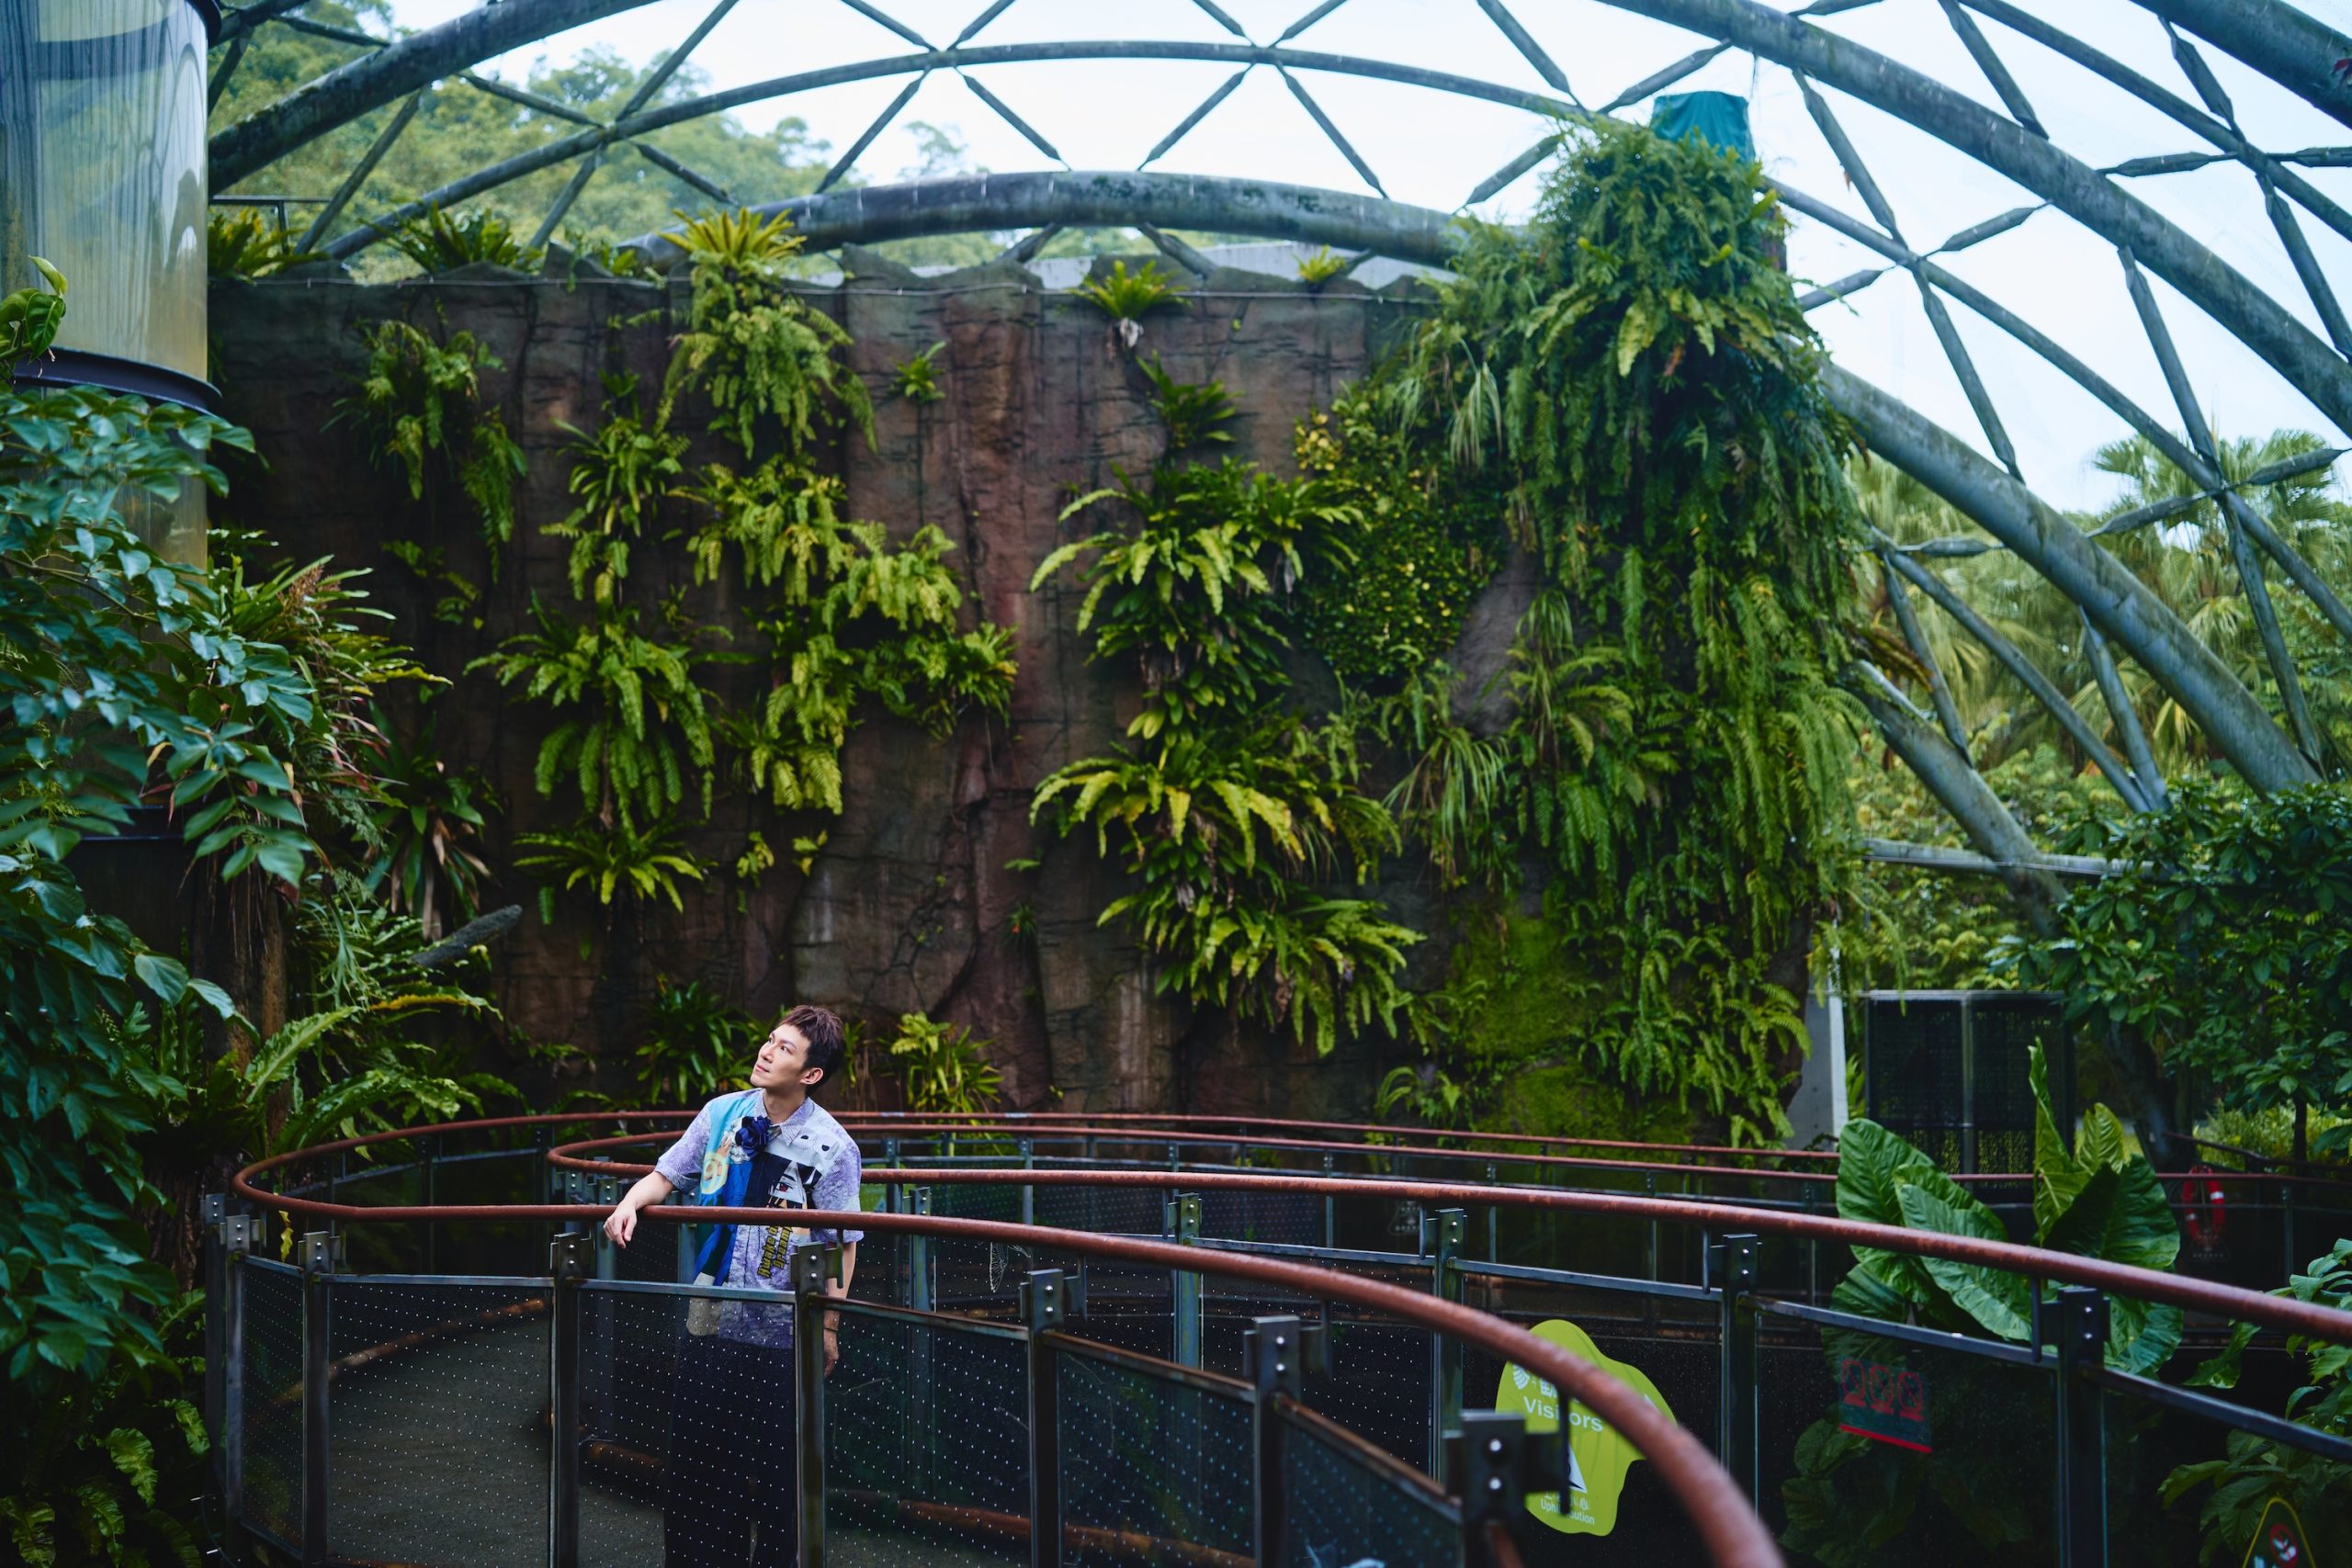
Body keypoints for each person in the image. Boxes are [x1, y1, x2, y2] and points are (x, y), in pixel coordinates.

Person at [604, 1003, 863, 1568]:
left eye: (784, 1049)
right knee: (697, 1473)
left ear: (811, 1074)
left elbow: (844, 1244)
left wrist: (829, 1328)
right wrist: (629, 1203)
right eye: (770, 1041)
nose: (767, 1051)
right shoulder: (722, 1114)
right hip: (710, 1322)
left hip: (783, 1334)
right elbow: (667, 1174)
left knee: (780, 1481)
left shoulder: (833, 1146)